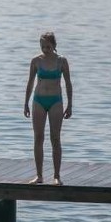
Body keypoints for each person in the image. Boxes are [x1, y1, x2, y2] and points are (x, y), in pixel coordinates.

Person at [24, 32, 73, 185]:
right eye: (43, 46)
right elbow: (30, 83)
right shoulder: (36, 61)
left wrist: (70, 104)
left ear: (54, 46)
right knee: (38, 137)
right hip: (38, 101)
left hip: (56, 101)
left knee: (55, 138)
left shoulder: (62, 61)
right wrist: (25, 103)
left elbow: (68, 83)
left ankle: (57, 176)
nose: (45, 49)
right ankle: (39, 175)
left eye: (48, 46)